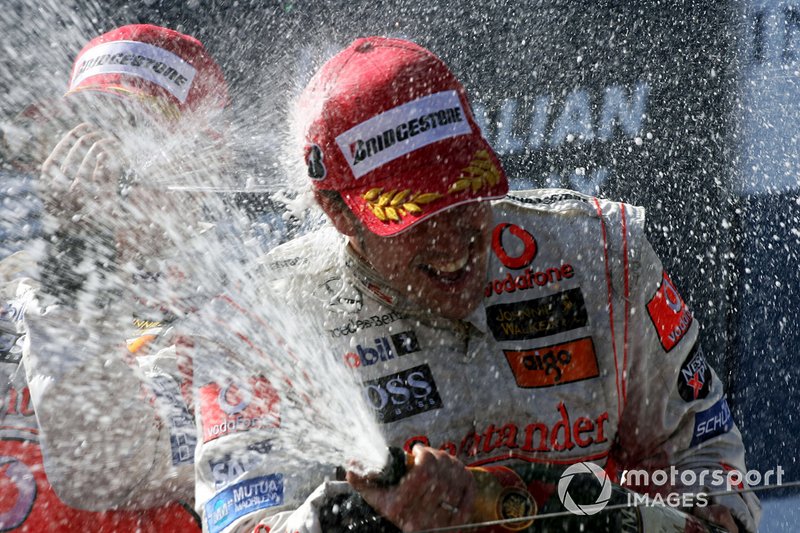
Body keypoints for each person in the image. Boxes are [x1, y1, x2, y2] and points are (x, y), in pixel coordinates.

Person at [193, 37, 761, 533]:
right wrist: (368, 520)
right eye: (414, 215)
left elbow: (704, 453)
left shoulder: (603, 254)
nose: (455, 237)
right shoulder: (258, 321)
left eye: (466, 193)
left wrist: (700, 514)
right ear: (339, 213)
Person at [4, 23, 228, 531]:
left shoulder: (239, 301)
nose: (96, 156)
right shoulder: (15, 281)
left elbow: (109, 466)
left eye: (132, 126)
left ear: (208, 161)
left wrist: (78, 265)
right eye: (83, 125)